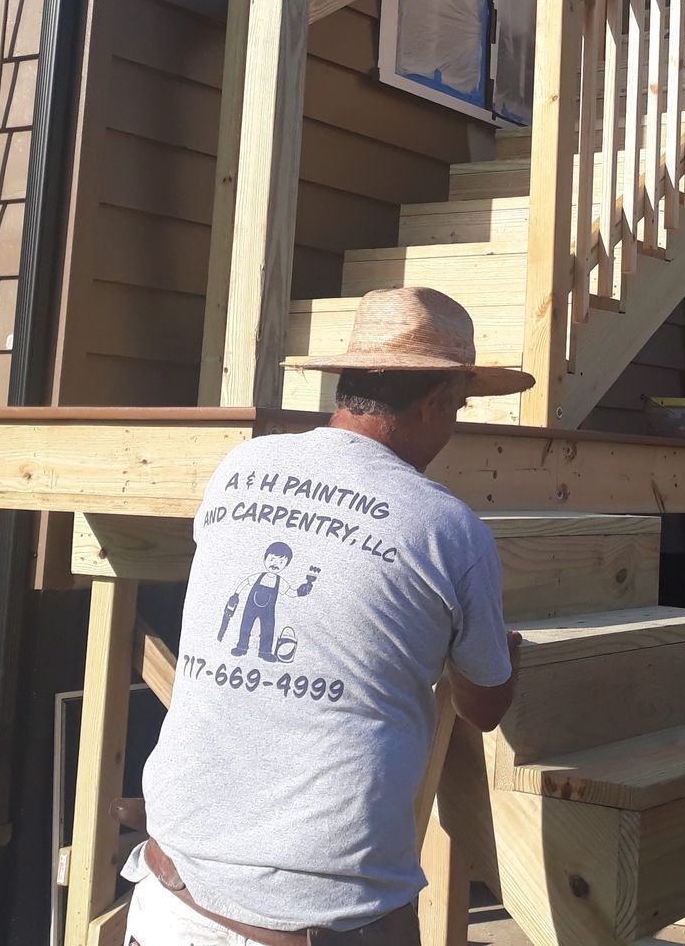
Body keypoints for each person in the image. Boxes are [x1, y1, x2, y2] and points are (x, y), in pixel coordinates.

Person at [125, 286, 533, 945]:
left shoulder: (242, 468)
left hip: (171, 895)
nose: (453, 424)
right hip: (324, 918)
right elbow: (483, 708)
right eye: (456, 406)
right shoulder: (449, 529)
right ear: (433, 402)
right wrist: (505, 661)